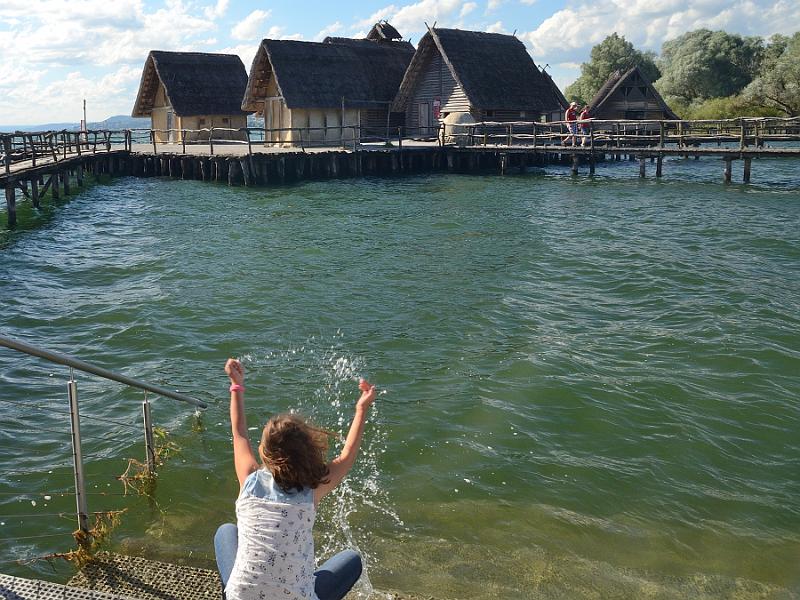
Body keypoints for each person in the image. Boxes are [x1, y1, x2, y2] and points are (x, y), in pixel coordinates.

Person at [216, 358, 377, 600]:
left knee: (226, 532)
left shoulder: (249, 479)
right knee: (352, 560)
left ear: (265, 452)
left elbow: (238, 433)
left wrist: (236, 385)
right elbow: (347, 454)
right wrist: (361, 409)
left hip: (243, 597)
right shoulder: (311, 490)